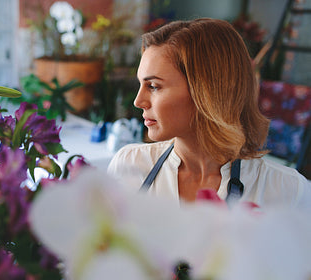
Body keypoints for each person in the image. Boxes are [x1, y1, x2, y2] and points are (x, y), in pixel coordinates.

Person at [107, 18, 311, 207]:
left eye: (153, 86)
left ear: (207, 91)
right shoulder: (129, 166)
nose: (138, 101)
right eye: (141, 84)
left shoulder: (287, 191)